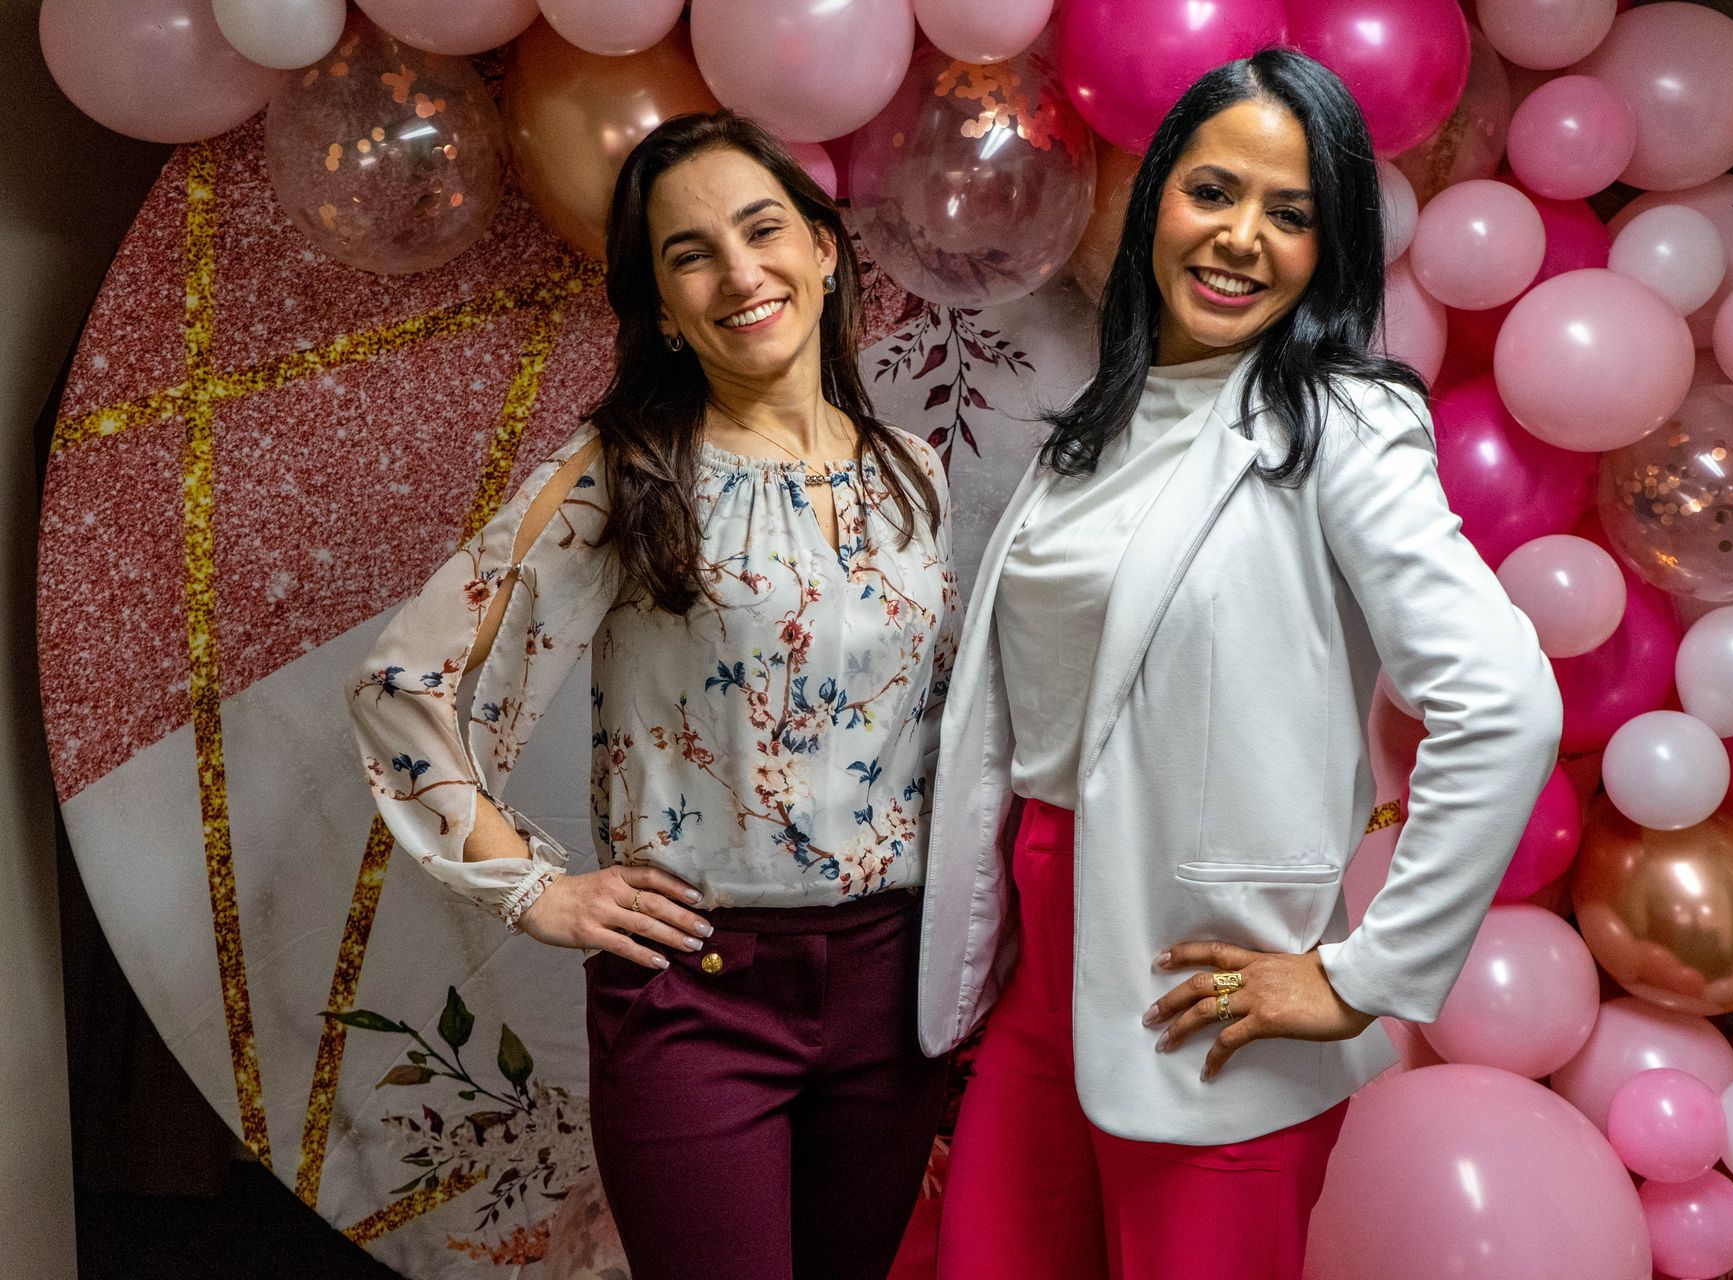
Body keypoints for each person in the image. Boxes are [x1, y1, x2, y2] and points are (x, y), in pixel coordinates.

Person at [918, 49, 1563, 1280]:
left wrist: (1363, 973)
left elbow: (1505, 702)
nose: (1242, 238)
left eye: (1293, 213)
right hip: (1040, 967)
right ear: (1156, 195)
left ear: (1334, 249)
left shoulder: (1344, 425)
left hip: (1198, 985)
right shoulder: (1096, 426)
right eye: (1213, 192)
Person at [346, 111, 958, 1280]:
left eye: (761, 227)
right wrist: (538, 890)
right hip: (699, 993)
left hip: (895, 986)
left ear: (824, 249)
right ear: (666, 312)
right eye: (690, 255)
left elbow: (942, 731)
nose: (738, 272)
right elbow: (403, 683)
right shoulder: (623, 471)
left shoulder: (911, 472)